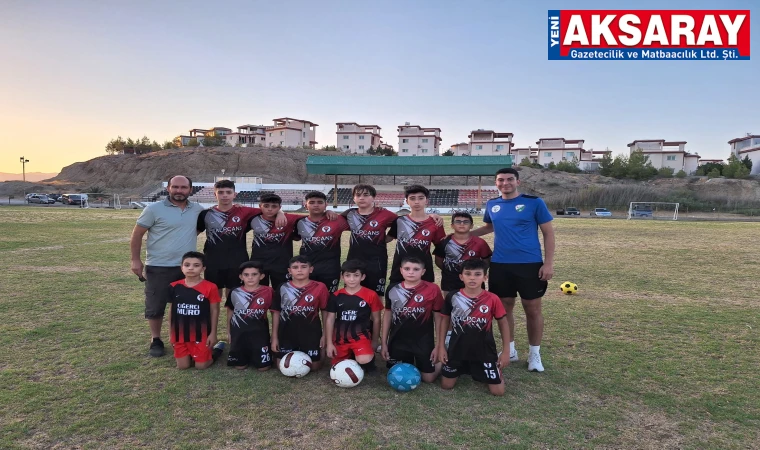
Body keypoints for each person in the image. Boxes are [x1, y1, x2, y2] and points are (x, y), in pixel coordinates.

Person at [471, 167, 555, 372]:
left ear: (518, 182)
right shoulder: (492, 204)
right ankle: (510, 350)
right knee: (504, 308)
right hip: (500, 265)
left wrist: (548, 263)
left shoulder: (534, 202)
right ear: (496, 182)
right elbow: (490, 227)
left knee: (532, 309)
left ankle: (535, 354)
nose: (505, 183)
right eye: (500, 180)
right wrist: (463, 236)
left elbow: (548, 233)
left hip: (530, 264)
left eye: (509, 179)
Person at [131, 175, 204, 358]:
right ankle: (156, 339)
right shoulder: (153, 209)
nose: (179, 191)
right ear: (168, 188)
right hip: (159, 265)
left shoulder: (197, 210)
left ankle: (180, 337)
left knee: (183, 305)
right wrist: (135, 260)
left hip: (187, 268)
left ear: (190, 189)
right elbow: (137, 234)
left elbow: (198, 229)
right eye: (175, 187)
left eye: (183, 187)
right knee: (156, 305)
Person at [197, 180, 287, 299]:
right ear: (215, 194)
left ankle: (232, 318)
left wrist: (280, 212)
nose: (224, 195)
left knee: (233, 298)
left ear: (235, 194)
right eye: (221, 192)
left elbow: (268, 210)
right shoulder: (205, 214)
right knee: (213, 298)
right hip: (213, 261)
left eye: (228, 192)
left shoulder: (245, 212)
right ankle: (213, 318)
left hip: (237, 261)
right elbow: (195, 233)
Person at [437, 258, 511, 396]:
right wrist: (441, 346)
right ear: (461, 276)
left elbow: (503, 323)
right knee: (446, 385)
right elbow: (444, 321)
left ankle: (490, 367)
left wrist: (506, 351)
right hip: (457, 349)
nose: (472, 278)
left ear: (485, 277)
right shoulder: (453, 296)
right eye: (468, 274)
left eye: (477, 274)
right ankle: (460, 367)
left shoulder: (492, 298)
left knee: (498, 392)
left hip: (484, 350)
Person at [381, 256, 444, 383]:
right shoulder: (393, 288)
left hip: (423, 340)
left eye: (416, 269)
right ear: (401, 270)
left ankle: (442, 362)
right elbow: (387, 315)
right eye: (407, 268)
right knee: (395, 373)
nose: (411, 272)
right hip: (398, 340)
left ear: (423, 272)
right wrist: (384, 343)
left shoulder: (432, 289)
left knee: (428, 378)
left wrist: (438, 345)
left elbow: (438, 317)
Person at [270, 256, 330, 371]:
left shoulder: (320, 287)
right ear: (289, 271)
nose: (299, 270)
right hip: (286, 333)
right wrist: (275, 337)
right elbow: (276, 312)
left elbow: (325, 311)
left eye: (304, 267)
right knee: (281, 366)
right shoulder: (282, 287)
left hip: (311, 332)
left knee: (315, 367)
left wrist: (325, 335)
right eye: (295, 267)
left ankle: (318, 351)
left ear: (311, 269)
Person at [167, 251, 224, 370]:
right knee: (183, 366)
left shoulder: (210, 287)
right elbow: (171, 310)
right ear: (181, 267)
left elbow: (214, 310)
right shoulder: (174, 286)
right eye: (187, 265)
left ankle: (216, 350)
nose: (191, 268)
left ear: (203, 268)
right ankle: (193, 355)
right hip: (180, 333)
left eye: (196, 265)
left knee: (201, 366)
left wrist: (213, 333)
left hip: (201, 333)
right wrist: (171, 332)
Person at [324, 260, 383, 372]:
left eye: (356, 275)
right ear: (342, 277)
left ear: (363, 277)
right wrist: (329, 343)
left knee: (364, 360)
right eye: (348, 275)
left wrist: (375, 341)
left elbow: (376, 319)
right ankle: (351, 355)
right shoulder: (336, 296)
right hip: (340, 338)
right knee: (338, 368)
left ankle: (365, 358)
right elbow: (330, 319)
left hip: (361, 336)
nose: (352, 279)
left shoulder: (371, 295)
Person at [343, 184, 399, 296]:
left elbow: (403, 222)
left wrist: (389, 237)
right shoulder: (349, 214)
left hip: (376, 261)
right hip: (354, 259)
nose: (361, 198)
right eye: (358, 195)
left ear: (373, 197)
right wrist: (329, 212)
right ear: (354, 198)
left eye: (366, 195)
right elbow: (330, 221)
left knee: (376, 294)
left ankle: (375, 314)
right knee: (352, 293)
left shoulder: (384, 214)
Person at [387, 185, 446, 285]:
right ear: (406, 201)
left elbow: (441, 248)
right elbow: (386, 238)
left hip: (424, 269)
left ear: (426, 200)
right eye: (412, 198)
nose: (417, 202)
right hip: (400, 268)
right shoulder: (399, 221)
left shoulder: (435, 223)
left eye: (421, 198)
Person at [295, 191, 350, 293]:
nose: (316, 205)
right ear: (305, 205)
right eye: (312, 202)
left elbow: (356, 214)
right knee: (309, 301)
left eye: (320, 202)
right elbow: (295, 237)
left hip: (330, 268)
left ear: (326, 205)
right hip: (307, 267)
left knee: (329, 302)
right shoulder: (299, 222)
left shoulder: (337, 220)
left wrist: (329, 211)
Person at [225, 261, 275, 371]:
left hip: (259, 333)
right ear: (241, 277)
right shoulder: (235, 291)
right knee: (240, 366)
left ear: (261, 276)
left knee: (264, 368)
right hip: (239, 333)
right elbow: (230, 312)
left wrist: (274, 336)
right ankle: (219, 349)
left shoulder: (268, 291)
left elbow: (274, 313)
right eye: (246, 275)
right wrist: (228, 331)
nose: (250, 278)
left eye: (254, 274)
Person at [248, 193, 301, 290]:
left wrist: (328, 212)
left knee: (281, 293)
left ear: (280, 207)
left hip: (282, 264)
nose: (270, 209)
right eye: (266, 206)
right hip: (258, 263)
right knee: (259, 294)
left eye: (274, 206)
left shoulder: (289, 219)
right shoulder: (253, 218)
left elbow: (313, 218)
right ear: (260, 206)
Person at [434, 211, 493, 296]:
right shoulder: (444, 242)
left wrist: (475, 273)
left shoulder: (480, 243)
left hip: (473, 281)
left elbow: (486, 262)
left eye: (466, 222)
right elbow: (438, 261)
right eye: (458, 221)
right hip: (450, 282)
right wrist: (450, 270)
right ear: (452, 225)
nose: (462, 224)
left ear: (471, 226)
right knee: (451, 305)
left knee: (475, 306)